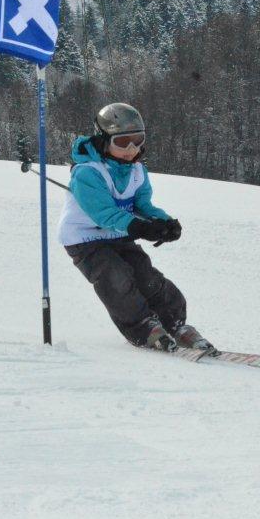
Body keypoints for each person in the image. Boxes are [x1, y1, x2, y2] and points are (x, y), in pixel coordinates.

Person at [57, 102, 214, 353]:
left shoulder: (137, 171)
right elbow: (103, 214)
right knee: (115, 278)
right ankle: (143, 328)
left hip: (119, 233)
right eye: (122, 142)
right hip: (85, 239)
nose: (131, 150)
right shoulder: (88, 173)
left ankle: (175, 324)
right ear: (104, 139)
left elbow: (142, 205)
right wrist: (140, 228)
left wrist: (164, 222)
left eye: (137, 140)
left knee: (146, 276)